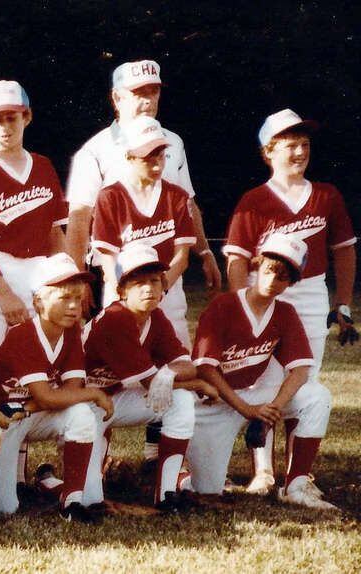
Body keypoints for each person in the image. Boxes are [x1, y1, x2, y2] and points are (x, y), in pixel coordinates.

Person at [222, 109, 357, 494]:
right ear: (269, 152)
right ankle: (262, 469)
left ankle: (298, 473)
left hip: (311, 293)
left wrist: (342, 303)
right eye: (289, 145)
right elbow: (235, 260)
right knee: (262, 377)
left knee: (304, 380)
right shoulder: (255, 199)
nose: (299, 152)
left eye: (305, 145)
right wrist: (241, 307)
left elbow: (344, 250)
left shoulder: (326, 194)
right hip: (262, 291)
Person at [185, 233, 336, 510]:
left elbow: (301, 370)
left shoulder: (285, 312)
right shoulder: (224, 305)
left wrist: (271, 411)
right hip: (213, 401)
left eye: (281, 276)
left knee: (317, 395)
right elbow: (206, 369)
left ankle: (296, 486)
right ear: (256, 267)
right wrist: (246, 409)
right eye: (267, 270)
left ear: (290, 282)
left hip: (253, 398)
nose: (271, 281)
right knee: (206, 488)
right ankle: (183, 476)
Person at [66, 59, 221, 305]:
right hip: (121, 278)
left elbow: (189, 204)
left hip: (168, 273)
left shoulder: (173, 143)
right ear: (117, 98)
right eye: (138, 93)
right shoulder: (95, 150)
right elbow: (79, 217)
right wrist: (76, 278)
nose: (148, 100)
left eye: (153, 91)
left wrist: (204, 251)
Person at [0, 254, 112, 521]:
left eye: (77, 298)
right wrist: (95, 392)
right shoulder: (23, 334)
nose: (73, 307)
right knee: (5, 508)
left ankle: (71, 501)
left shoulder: (71, 332)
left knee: (81, 413)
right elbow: (47, 396)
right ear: (37, 301)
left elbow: (69, 391)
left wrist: (42, 404)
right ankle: (40, 485)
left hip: (26, 410)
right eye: (63, 298)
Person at [77, 244, 218, 512]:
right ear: (121, 291)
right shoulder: (115, 319)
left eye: (155, 281)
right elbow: (151, 383)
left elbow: (186, 365)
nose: (149, 289)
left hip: (109, 399)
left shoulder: (157, 317)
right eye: (138, 283)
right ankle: (47, 481)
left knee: (180, 401)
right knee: (88, 501)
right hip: (77, 406)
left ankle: (166, 495)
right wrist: (196, 383)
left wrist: (169, 372)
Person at [0, 80, 68, 358]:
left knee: (43, 361)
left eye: (12, 118)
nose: (5, 127)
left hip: (40, 272)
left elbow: (56, 232)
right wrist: (3, 292)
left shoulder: (43, 165)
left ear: (27, 116)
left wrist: (67, 281)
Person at [90, 116, 197, 346]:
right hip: (124, 295)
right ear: (129, 156)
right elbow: (108, 259)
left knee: (177, 366)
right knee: (124, 368)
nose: (158, 165)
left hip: (167, 294)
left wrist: (159, 288)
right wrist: (126, 292)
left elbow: (182, 256)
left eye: (161, 156)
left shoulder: (176, 196)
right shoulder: (110, 197)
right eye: (148, 159)